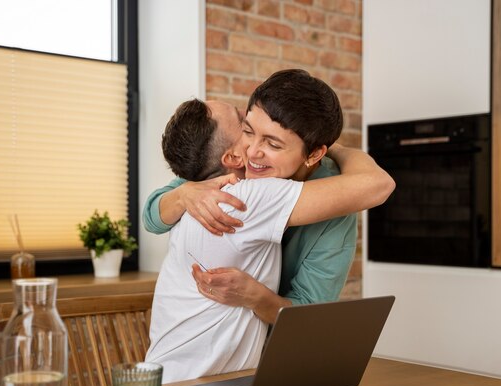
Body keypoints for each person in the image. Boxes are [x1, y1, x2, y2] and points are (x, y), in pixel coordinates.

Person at [144, 70, 395, 327]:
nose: (253, 151)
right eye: (248, 130)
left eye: (273, 145)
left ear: (314, 154)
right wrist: (184, 193)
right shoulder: (235, 166)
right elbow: (152, 215)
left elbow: (309, 312)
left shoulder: (337, 202)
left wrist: (255, 297)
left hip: (277, 347)